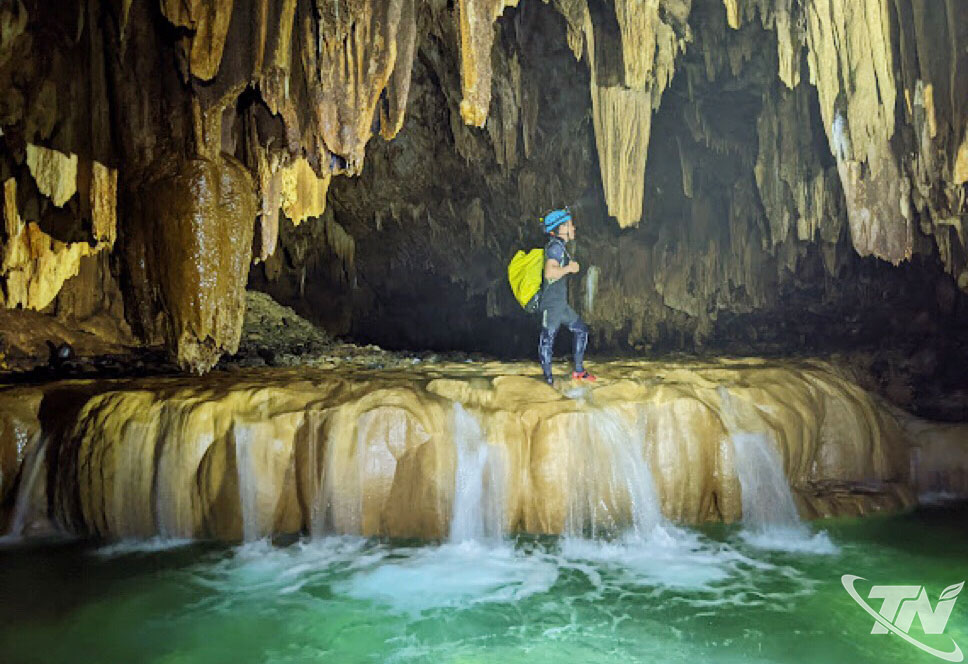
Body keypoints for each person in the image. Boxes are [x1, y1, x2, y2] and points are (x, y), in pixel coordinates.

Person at [539, 208, 596, 385]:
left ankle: (578, 371)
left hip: (561, 305)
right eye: (570, 224)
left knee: (581, 329)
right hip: (552, 305)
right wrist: (568, 269)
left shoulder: (560, 247)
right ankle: (548, 380)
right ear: (562, 228)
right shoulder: (555, 247)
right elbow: (549, 272)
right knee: (547, 339)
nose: (574, 228)